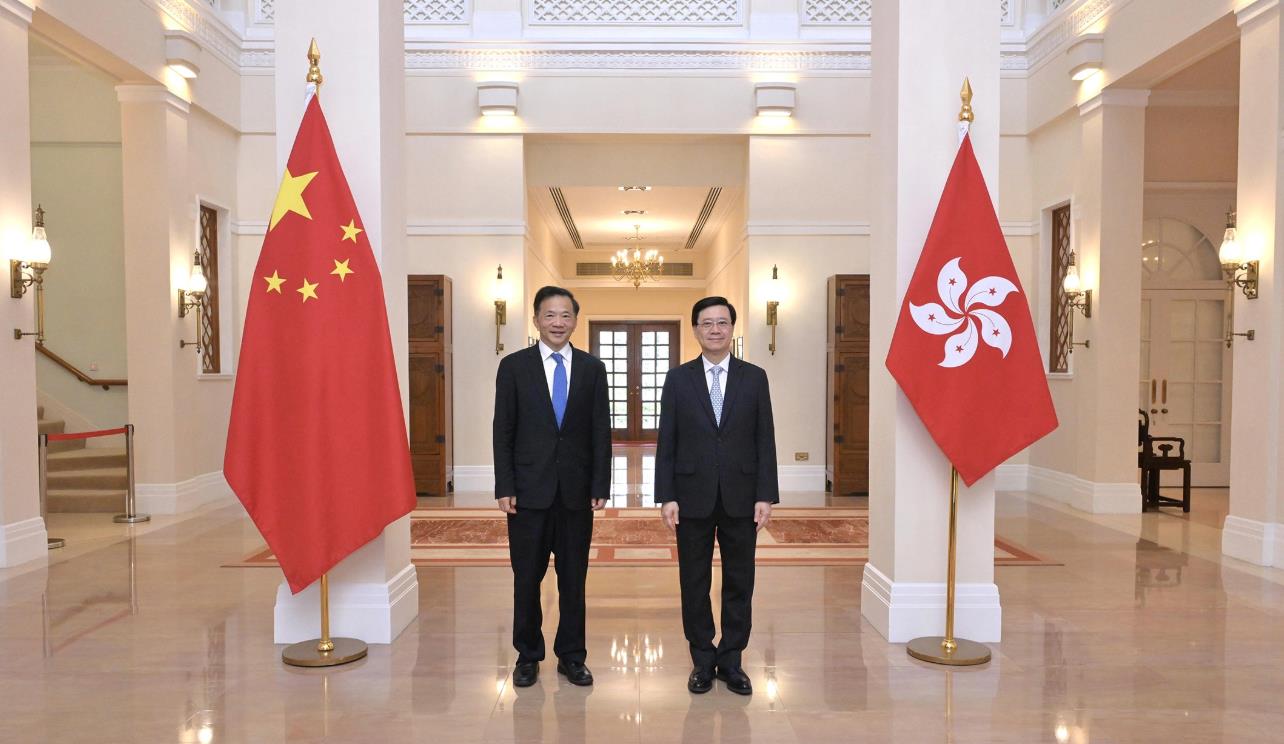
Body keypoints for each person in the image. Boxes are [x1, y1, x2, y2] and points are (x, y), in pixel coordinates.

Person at [656, 296, 779, 696]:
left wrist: (765, 494)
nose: (714, 329)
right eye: (706, 323)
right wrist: (666, 495)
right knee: (694, 580)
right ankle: (702, 659)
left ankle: (731, 660)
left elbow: (765, 438)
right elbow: (667, 440)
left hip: (742, 496)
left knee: (740, 580)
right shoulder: (678, 379)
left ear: (732, 328)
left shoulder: (754, 377)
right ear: (695, 329)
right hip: (690, 495)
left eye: (722, 322)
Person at [493, 285, 610, 688]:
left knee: (573, 579)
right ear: (536, 320)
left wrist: (600, 482)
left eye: (565, 315)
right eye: (550, 315)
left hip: (576, 492)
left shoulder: (593, 368)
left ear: (575, 320)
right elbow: (503, 430)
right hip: (527, 491)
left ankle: (572, 656)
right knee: (526, 577)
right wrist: (505, 484)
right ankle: (527, 655)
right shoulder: (514, 367)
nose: (558, 322)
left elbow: (600, 430)